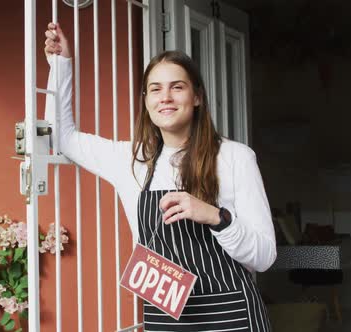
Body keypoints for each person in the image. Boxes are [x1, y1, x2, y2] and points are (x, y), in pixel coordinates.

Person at [44, 22, 276, 331]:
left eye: (177, 87)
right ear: (146, 100)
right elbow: (60, 135)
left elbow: (265, 257)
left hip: (230, 315)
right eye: (155, 89)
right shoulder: (130, 160)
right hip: (166, 318)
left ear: (197, 97)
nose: (165, 97)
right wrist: (61, 64)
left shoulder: (235, 158)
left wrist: (215, 216)